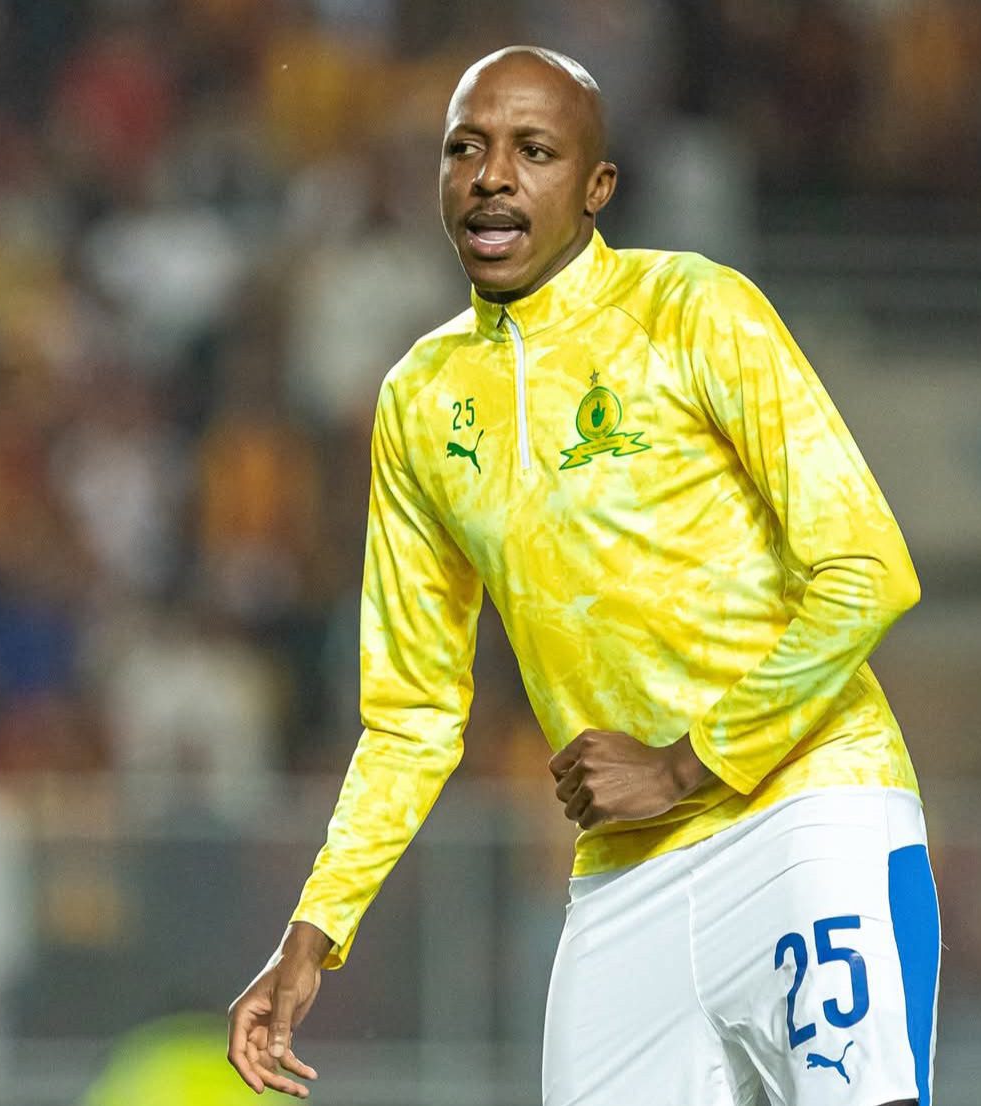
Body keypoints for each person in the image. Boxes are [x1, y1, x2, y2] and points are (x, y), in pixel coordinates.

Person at [227, 46, 939, 1106]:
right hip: (625, 877)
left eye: (534, 151)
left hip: (807, 820)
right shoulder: (420, 400)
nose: (491, 176)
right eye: (464, 148)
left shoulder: (692, 309)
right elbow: (414, 713)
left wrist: (688, 765)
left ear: (597, 186)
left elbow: (867, 569)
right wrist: (315, 928)